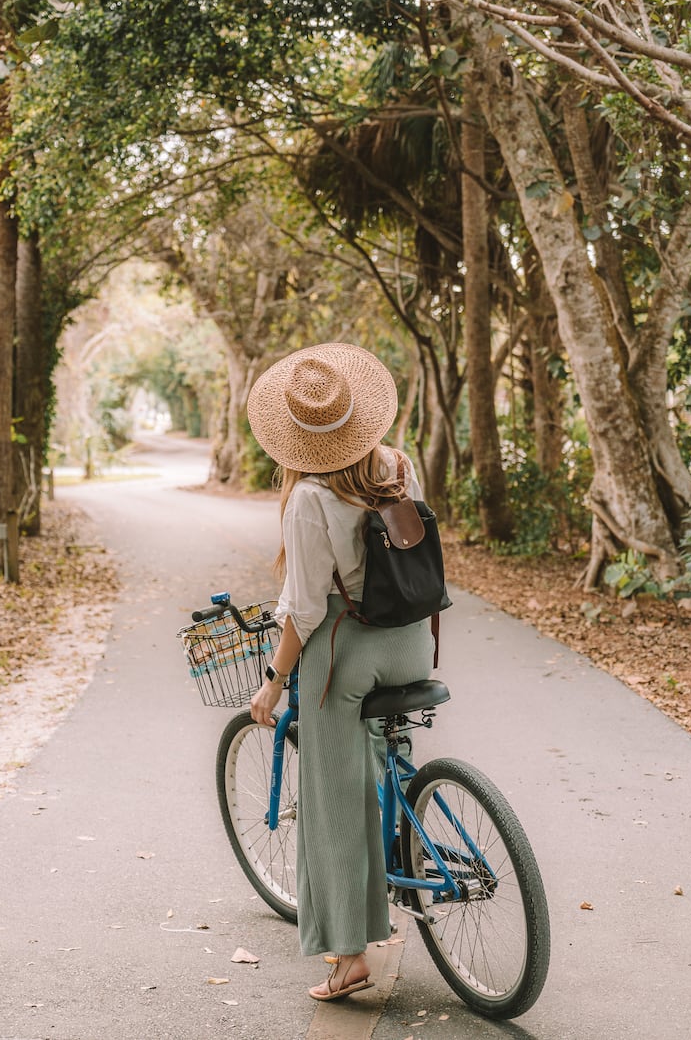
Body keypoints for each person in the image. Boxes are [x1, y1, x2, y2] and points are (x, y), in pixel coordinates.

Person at [247, 342, 435, 1002]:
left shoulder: (307, 499)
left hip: (352, 655)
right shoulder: (396, 465)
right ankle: (407, 826)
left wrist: (273, 680)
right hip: (413, 644)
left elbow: (303, 608)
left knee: (330, 797)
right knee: (381, 743)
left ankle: (349, 954)